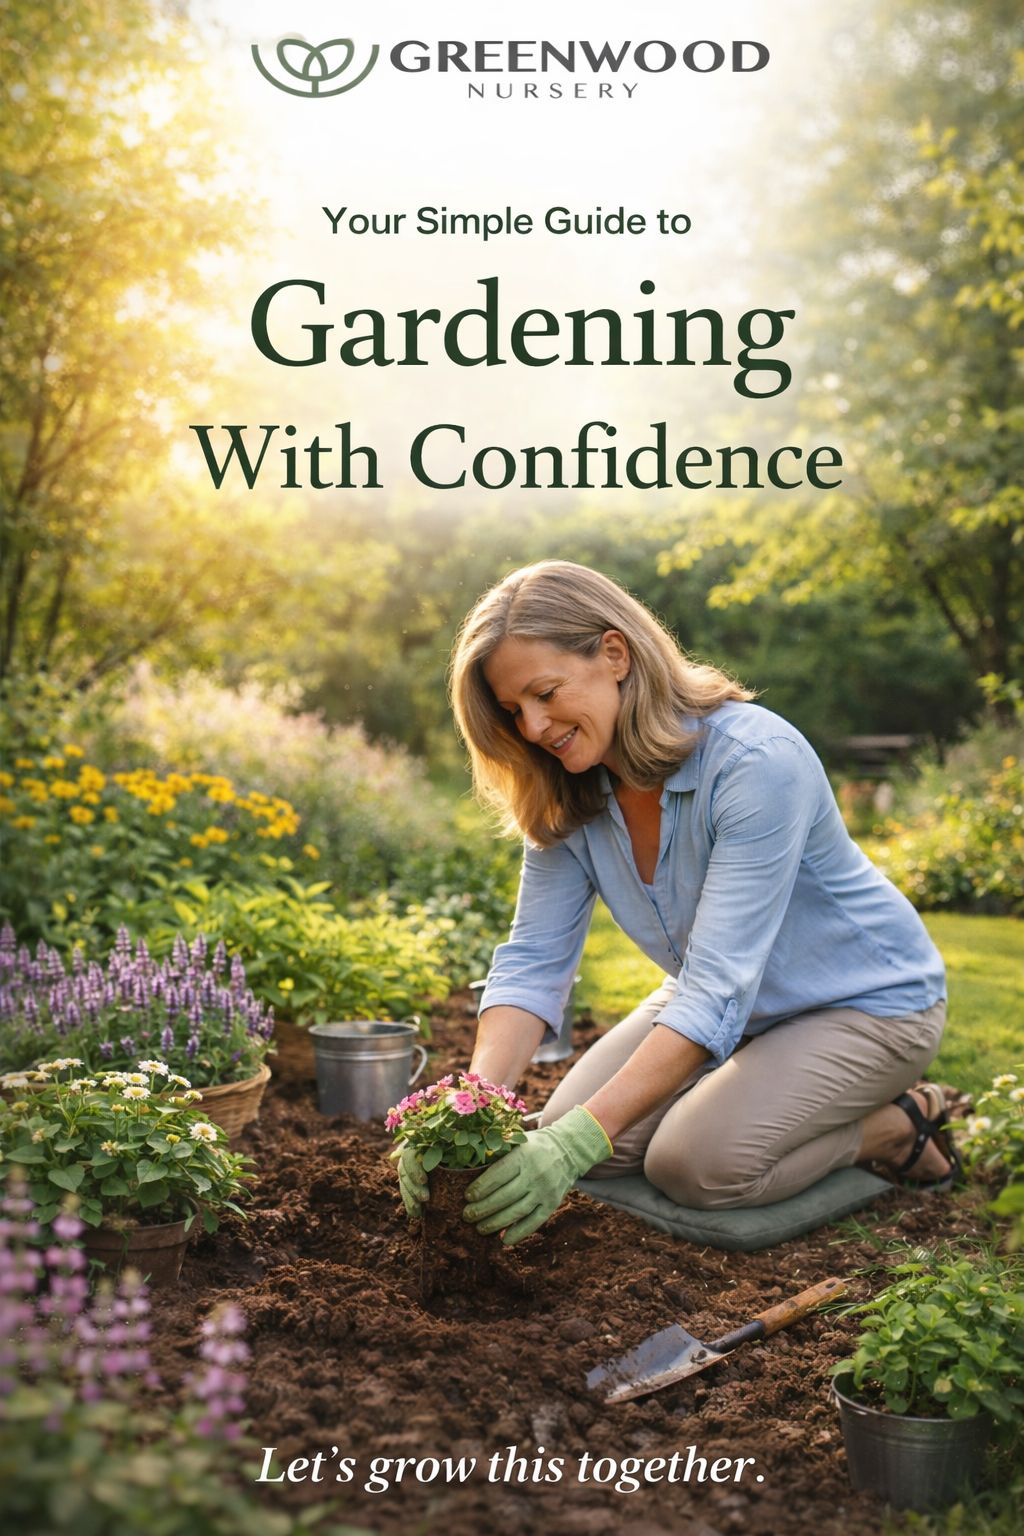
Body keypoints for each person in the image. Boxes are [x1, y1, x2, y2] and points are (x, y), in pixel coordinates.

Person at [397, 561, 958, 1246]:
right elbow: (534, 962)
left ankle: (899, 1124)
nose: (535, 726)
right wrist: (470, 1107)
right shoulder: (569, 790)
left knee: (693, 1164)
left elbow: (719, 986)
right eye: (515, 711)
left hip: (865, 1004)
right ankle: (740, 1099)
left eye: (544, 693)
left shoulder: (756, 762)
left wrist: (584, 1139)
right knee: (573, 1143)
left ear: (614, 654)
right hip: (726, 1001)